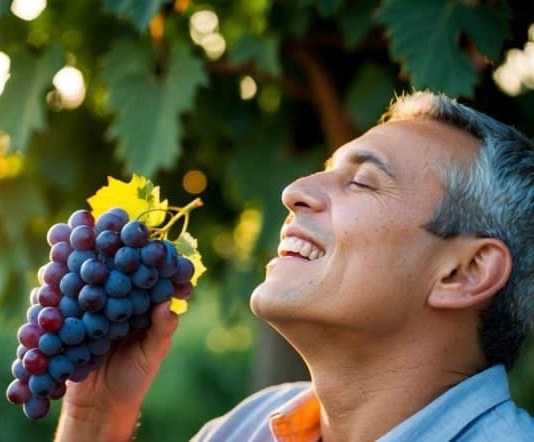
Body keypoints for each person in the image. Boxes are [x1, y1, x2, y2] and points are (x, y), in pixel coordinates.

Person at [54, 91, 534, 441]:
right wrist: (95, 419)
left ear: (464, 272)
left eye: (363, 182)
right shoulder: (240, 431)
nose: (293, 191)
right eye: (327, 169)